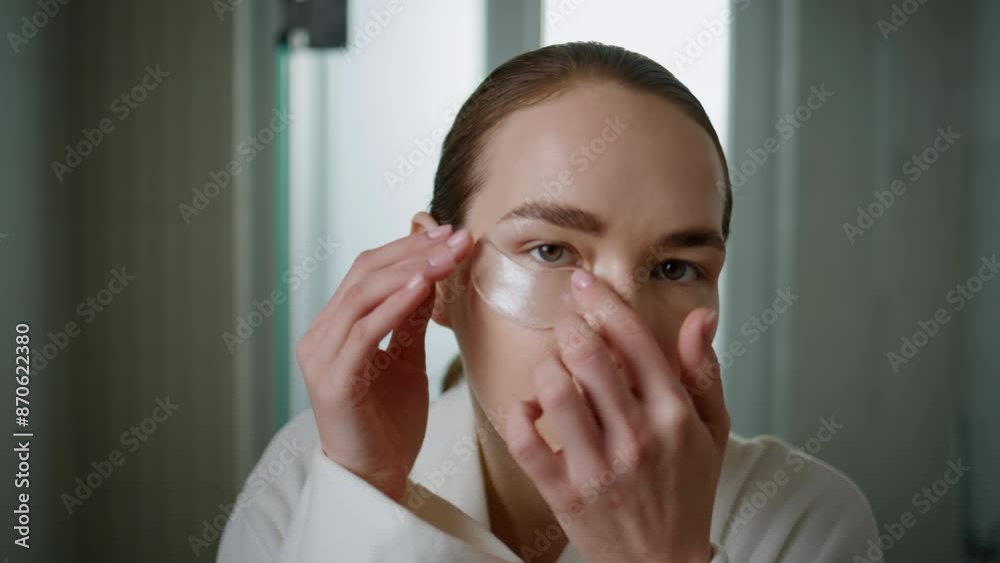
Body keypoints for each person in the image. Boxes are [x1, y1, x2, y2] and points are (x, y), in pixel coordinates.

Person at [217, 41, 879, 563]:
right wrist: (365, 491)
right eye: (552, 252)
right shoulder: (311, 471)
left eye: (675, 267)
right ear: (441, 277)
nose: (616, 327)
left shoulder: (804, 518)